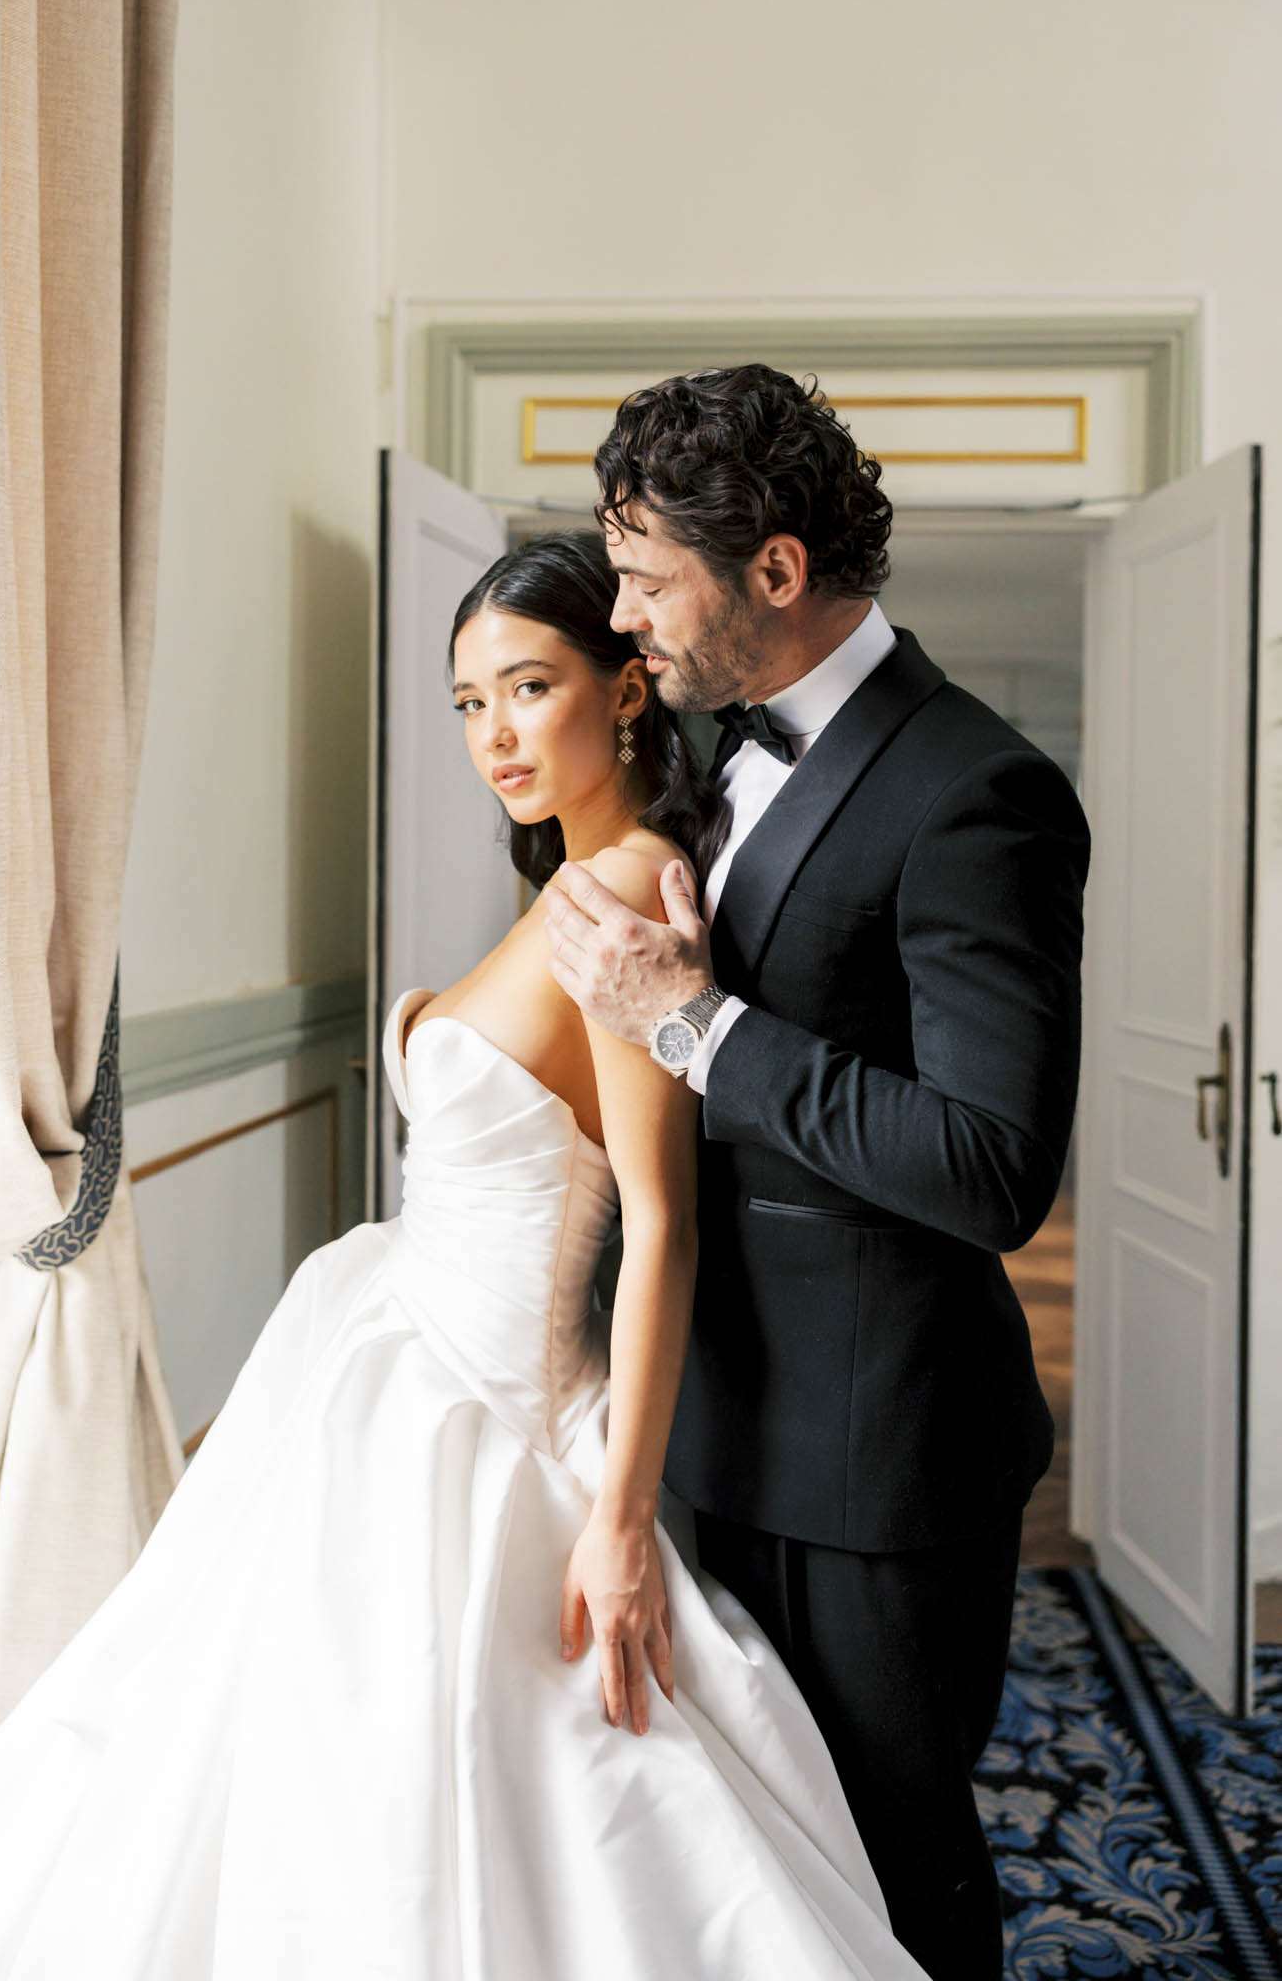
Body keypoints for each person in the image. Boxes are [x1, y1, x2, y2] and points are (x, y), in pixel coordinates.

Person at [0, 527, 928, 1980]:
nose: (493, 735)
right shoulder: (570, 883)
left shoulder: (635, 892)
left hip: (496, 1412)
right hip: (382, 1370)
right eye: (468, 704)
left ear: (625, 689)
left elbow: (659, 1228)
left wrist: (618, 1521)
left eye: (527, 688)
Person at [543, 364, 1092, 1981]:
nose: (623, 617)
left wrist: (694, 1023)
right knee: (753, 1856)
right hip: (719, 1416)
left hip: (880, 1464)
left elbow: (994, 1169)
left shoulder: (978, 791)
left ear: (773, 572)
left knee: (890, 1864)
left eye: (648, 579)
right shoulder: (714, 759)